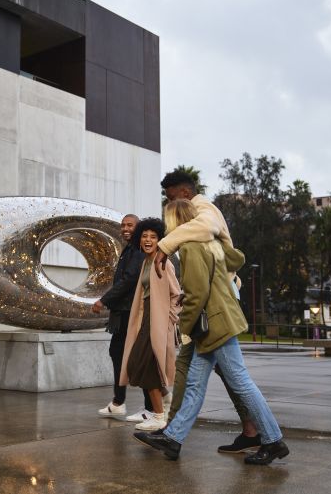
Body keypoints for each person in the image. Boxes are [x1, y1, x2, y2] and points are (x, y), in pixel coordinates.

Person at [135, 200, 289, 465]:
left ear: (175, 222)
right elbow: (219, 274)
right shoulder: (211, 243)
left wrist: (184, 328)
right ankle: (173, 438)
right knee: (195, 384)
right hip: (217, 322)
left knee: (240, 382)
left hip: (215, 325)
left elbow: (198, 295)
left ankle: (273, 440)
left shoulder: (192, 247)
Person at [157, 170, 261, 454]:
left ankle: (263, 433)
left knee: (229, 374)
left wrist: (164, 247)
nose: (169, 204)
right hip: (215, 299)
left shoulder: (204, 208)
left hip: (216, 301)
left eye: (171, 197)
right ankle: (173, 432)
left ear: (185, 194)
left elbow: (205, 230)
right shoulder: (198, 212)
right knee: (197, 369)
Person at [119, 218, 182, 431]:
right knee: (137, 363)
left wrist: (169, 320)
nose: (148, 240)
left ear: (160, 240)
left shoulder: (162, 261)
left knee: (145, 364)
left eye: (153, 237)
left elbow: (177, 295)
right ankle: (165, 398)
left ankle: (159, 415)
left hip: (158, 320)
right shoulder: (147, 261)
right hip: (146, 318)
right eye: (144, 236)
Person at [93, 214, 156, 420]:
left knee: (136, 357)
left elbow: (129, 280)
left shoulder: (137, 251)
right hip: (124, 311)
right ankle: (120, 401)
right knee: (121, 354)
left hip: (130, 312)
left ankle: (149, 406)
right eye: (123, 225)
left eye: (130, 225)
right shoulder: (130, 249)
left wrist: (104, 300)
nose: (125, 228)